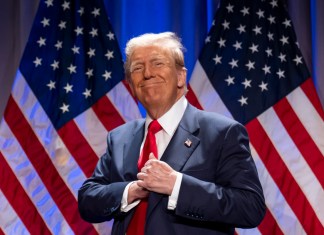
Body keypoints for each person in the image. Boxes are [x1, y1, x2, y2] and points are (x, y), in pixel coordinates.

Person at [78, 32, 266, 235]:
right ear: (131, 85)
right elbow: (88, 199)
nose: (148, 73)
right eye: (137, 68)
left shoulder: (223, 132)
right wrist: (130, 191)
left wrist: (177, 185)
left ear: (180, 77)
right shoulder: (119, 138)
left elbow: (250, 207)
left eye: (158, 63)